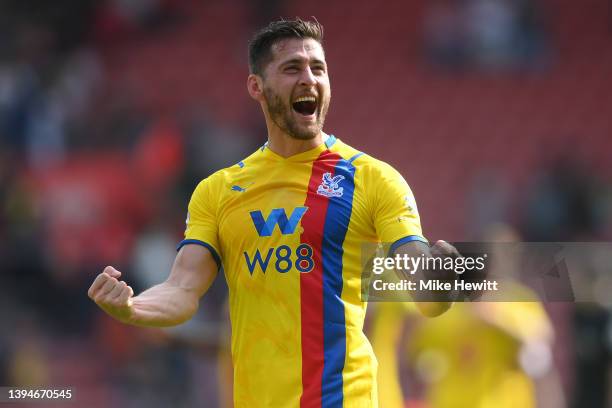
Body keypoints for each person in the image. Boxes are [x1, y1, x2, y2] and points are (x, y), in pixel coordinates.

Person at [88, 18, 458, 407]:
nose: (309, 79)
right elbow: (182, 289)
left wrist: (439, 282)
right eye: (292, 68)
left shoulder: (374, 179)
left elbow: (426, 290)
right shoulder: (219, 191)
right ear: (257, 87)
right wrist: (132, 308)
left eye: (318, 68)